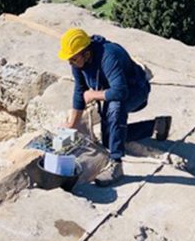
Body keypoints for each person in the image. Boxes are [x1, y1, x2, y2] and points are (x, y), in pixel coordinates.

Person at [58, 28, 171, 186]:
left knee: (115, 107)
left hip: (136, 91)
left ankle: (116, 164)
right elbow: (79, 91)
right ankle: (156, 126)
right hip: (113, 92)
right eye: (69, 59)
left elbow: (120, 92)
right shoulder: (78, 63)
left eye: (73, 59)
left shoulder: (109, 56)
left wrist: (92, 95)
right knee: (109, 139)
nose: (71, 62)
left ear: (86, 52)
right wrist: (72, 124)